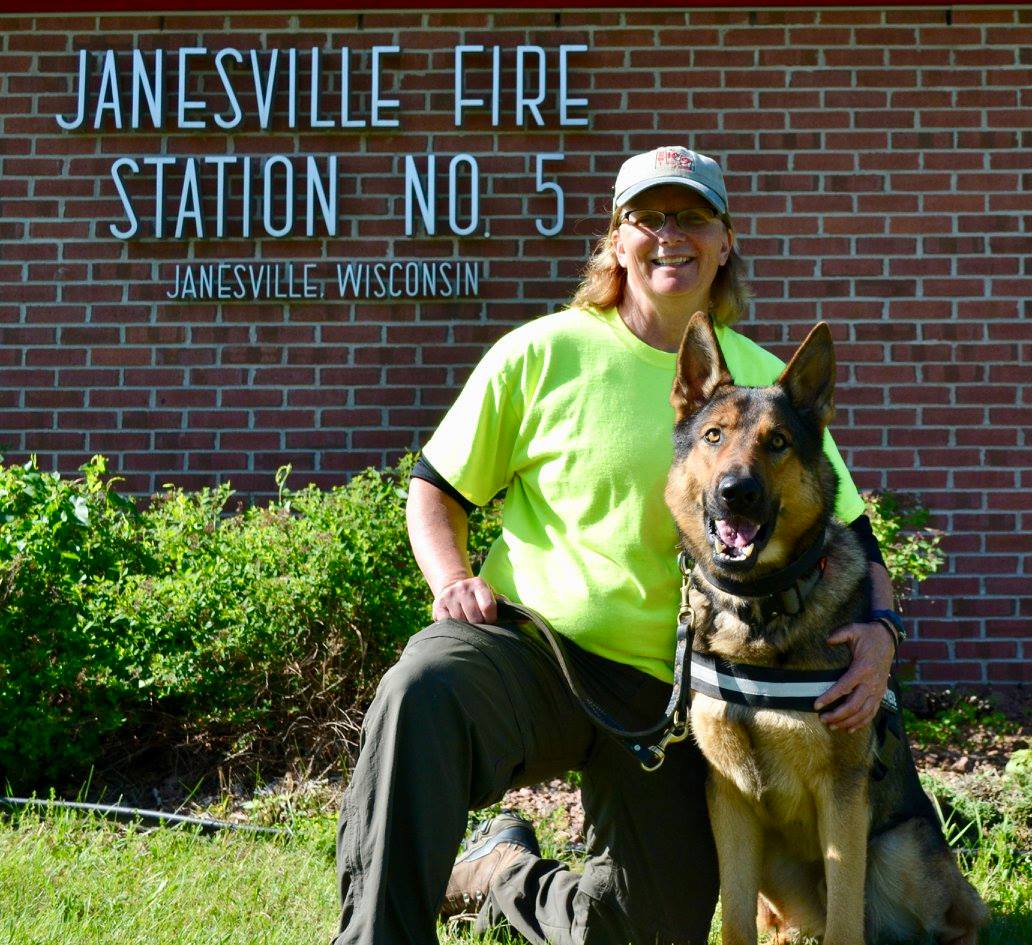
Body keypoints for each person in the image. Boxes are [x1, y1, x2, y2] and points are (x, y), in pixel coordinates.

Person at [331, 146, 899, 945]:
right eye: (649, 216)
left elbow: (860, 543)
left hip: (668, 702)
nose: (672, 234)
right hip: (529, 653)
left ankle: (500, 872)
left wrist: (881, 635)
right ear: (617, 238)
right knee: (421, 687)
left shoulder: (769, 387)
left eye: (693, 216)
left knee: (646, 930)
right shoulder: (542, 351)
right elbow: (433, 488)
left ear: (725, 241)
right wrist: (451, 575)